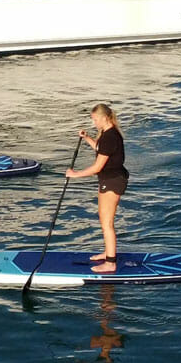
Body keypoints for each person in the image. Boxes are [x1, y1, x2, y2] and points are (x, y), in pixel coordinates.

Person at [65, 103, 129, 273]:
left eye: (95, 120)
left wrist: (75, 174)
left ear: (104, 118)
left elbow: (97, 167)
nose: (94, 123)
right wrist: (87, 138)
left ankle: (110, 262)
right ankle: (108, 253)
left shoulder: (110, 137)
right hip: (110, 179)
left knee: (107, 222)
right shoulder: (109, 133)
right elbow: (101, 150)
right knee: (103, 219)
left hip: (113, 180)